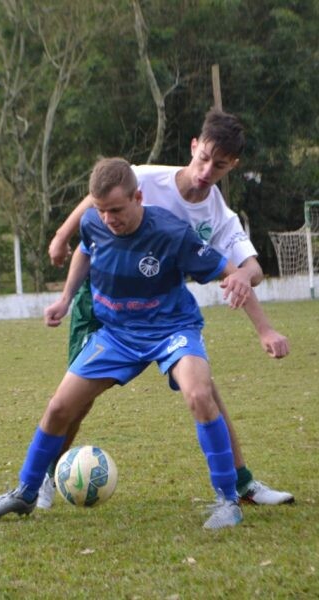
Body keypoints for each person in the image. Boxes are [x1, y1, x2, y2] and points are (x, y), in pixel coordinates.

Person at [38, 108, 294, 510]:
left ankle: (241, 484)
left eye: (220, 165)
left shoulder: (218, 216)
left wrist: (249, 286)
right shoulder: (148, 178)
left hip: (163, 313)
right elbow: (97, 195)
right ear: (194, 146)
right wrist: (61, 237)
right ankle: (47, 480)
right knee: (77, 399)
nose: (207, 170)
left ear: (232, 166)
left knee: (204, 389)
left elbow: (251, 267)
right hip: (104, 298)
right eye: (204, 157)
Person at [0, 157, 247, 530]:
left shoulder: (173, 232)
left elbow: (228, 269)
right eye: (102, 210)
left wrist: (240, 280)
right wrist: (65, 299)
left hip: (171, 330)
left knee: (200, 395)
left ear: (138, 197)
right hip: (117, 335)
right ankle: (25, 492)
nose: (108, 219)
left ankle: (228, 501)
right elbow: (85, 250)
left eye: (117, 210)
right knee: (59, 408)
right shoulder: (93, 221)